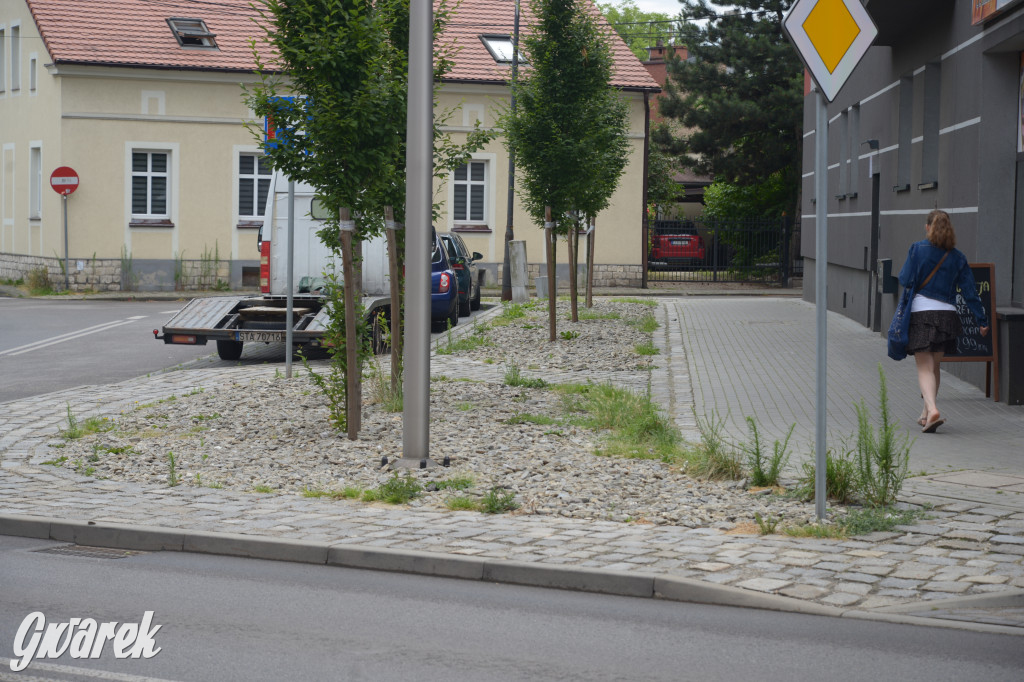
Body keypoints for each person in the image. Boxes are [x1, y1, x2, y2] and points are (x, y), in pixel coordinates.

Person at [898, 210, 989, 433]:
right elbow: (970, 291)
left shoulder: (917, 249)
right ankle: (926, 414)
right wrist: (982, 319)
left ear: (928, 227)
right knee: (934, 366)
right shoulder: (957, 257)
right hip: (948, 315)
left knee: (923, 368)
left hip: (921, 314)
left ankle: (933, 408)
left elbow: (904, 279)